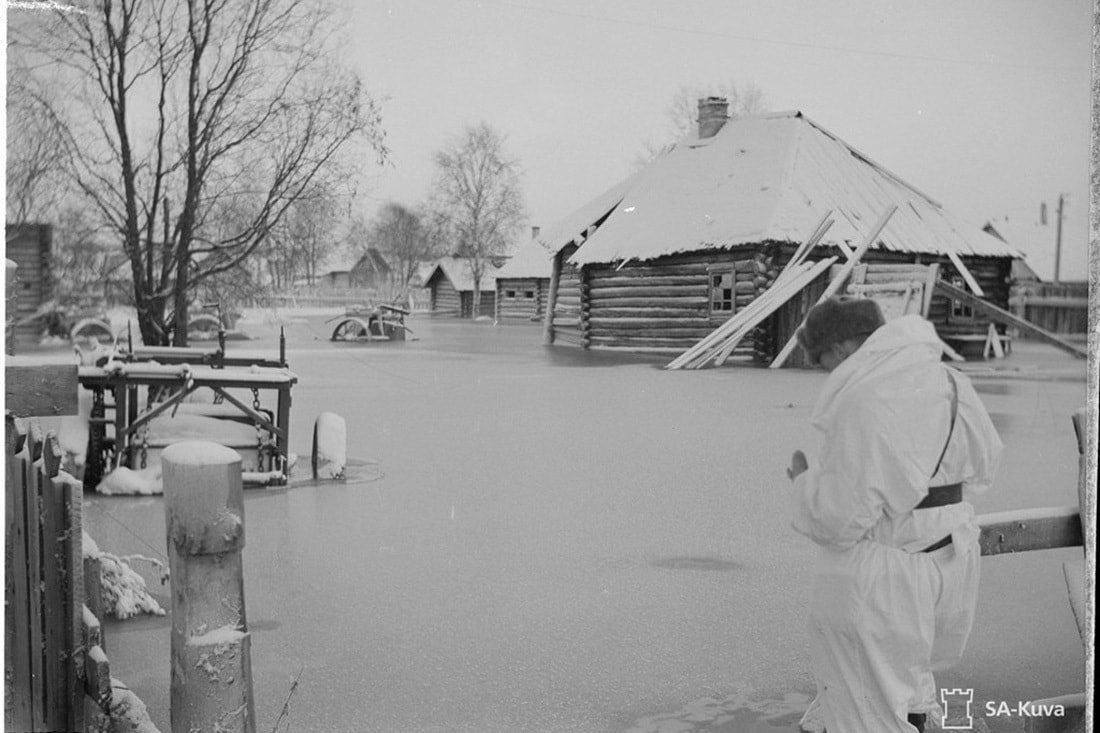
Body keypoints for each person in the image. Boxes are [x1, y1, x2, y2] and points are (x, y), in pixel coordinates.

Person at [786, 296, 1002, 733]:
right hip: (951, 562)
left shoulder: (864, 396)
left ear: (843, 347)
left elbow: (839, 522)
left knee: (867, 713)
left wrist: (803, 484)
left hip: (886, 579)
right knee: (913, 688)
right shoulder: (951, 380)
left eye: (822, 358)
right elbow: (986, 463)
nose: (825, 369)